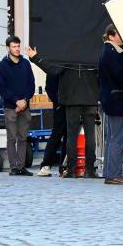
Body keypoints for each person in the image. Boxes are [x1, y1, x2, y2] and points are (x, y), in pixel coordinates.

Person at [27, 48, 101, 179]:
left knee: (71, 136)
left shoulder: (67, 55)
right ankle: (90, 169)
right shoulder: (92, 54)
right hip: (89, 99)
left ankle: (71, 169)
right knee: (90, 137)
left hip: (71, 100)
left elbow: (53, 69)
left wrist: (35, 57)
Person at [98, 24, 123, 185]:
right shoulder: (111, 52)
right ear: (111, 35)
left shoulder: (111, 51)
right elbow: (121, 75)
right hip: (117, 100)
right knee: (118, 139)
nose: (122, 36)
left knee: (112, 138)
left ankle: (110, 172)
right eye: (119, 34)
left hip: (114, 100)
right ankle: (114, 174)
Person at [0, 35, 35, 176]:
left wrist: (24, 101)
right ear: (8, 48)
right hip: (10, 107)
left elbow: (31, 85)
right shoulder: (2, 66)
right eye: (14, 46)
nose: (17, 49)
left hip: (25, 106)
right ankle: (14, 168)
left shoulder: (25, 64)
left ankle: (21, 166)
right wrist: (16, 101)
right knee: (12, 138)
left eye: (18, 46)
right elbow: (2, 89)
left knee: (23, 138)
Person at [37, 73, 67, 176]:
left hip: (71, 105)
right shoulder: (54, 66)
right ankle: (46, 164)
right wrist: (57, 101)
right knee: (57, 134)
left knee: (69, 136)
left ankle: (64, 166)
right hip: (60, 105)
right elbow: (49, 87)